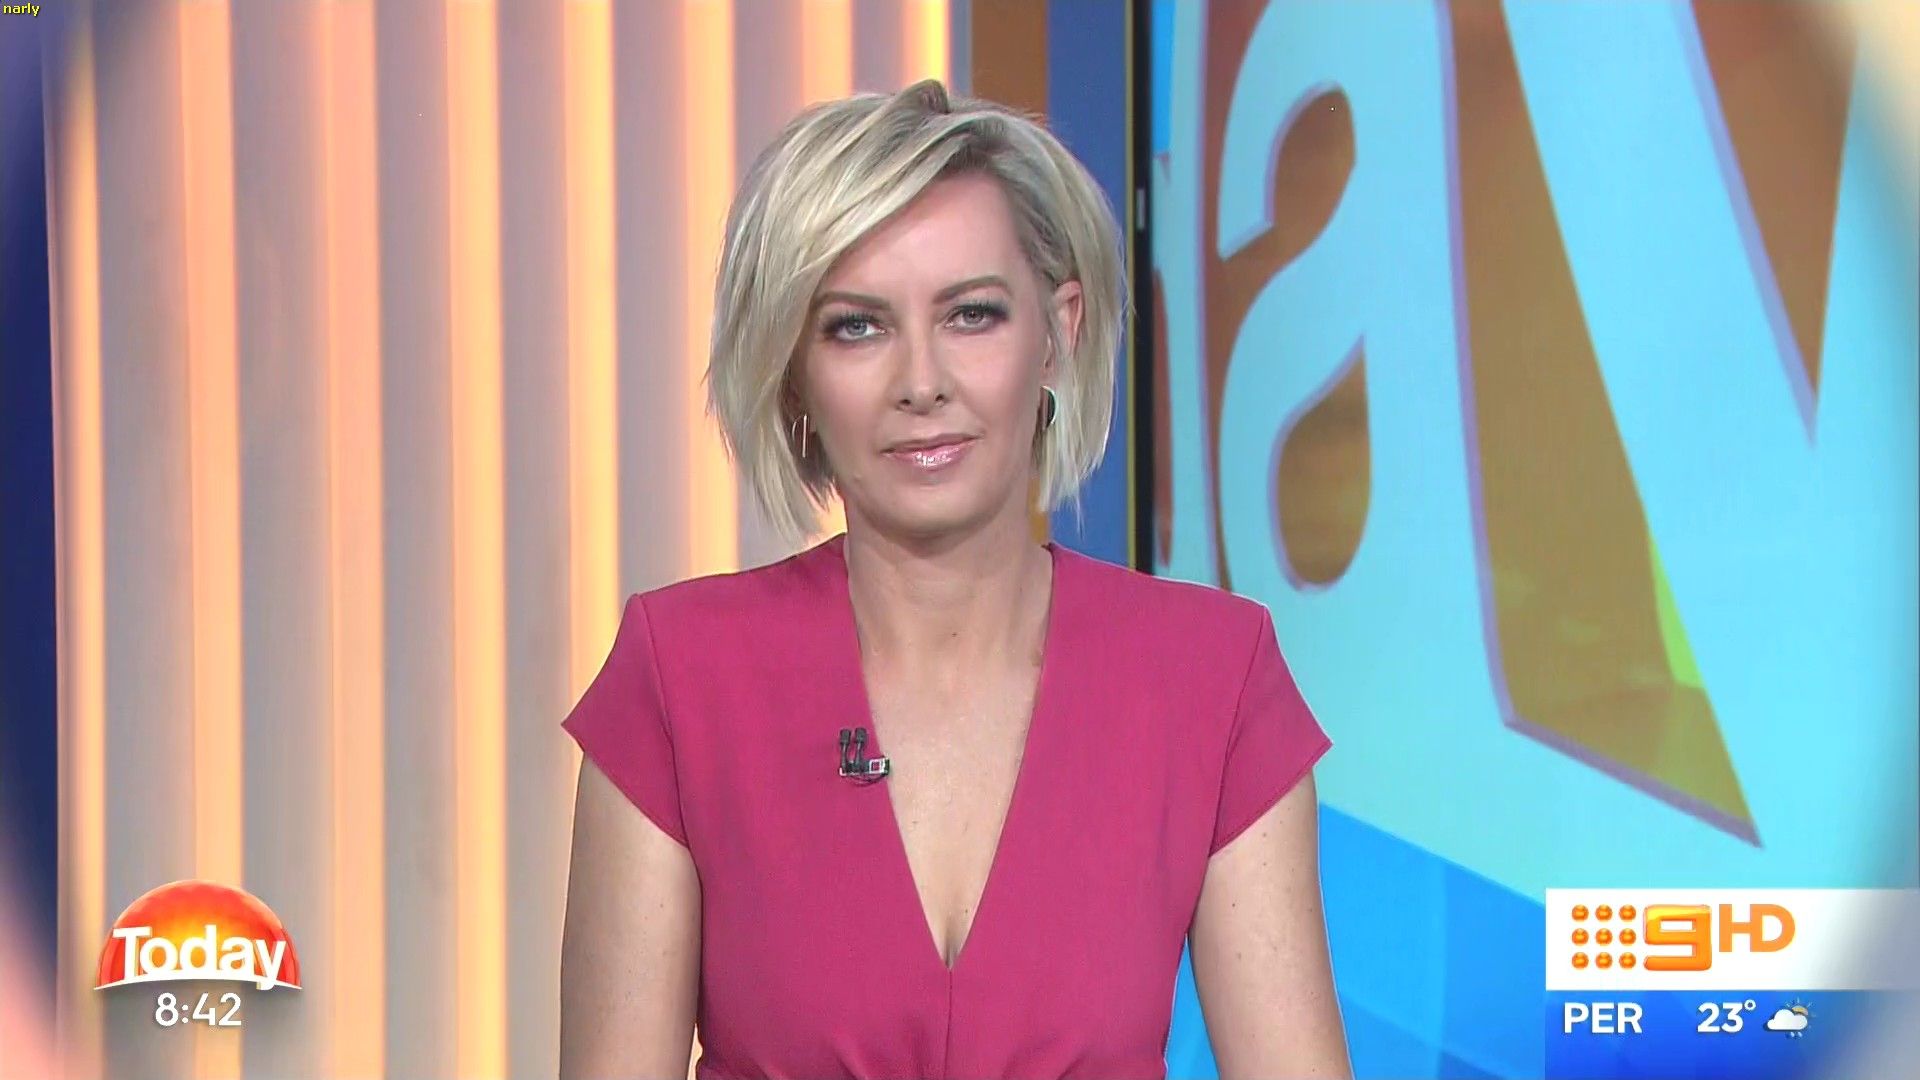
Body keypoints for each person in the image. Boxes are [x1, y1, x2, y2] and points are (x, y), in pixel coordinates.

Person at [559, 79, 1350, 1080]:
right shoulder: (681, 680)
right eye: (857, 327)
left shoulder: (1212, 678)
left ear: (1057, 332)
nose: (921, 383)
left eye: (972, 315)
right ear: (795, 373)